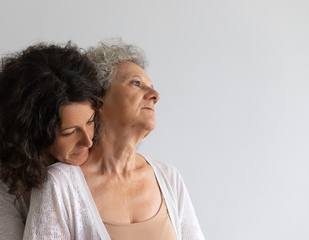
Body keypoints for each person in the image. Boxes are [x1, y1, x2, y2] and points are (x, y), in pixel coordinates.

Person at [24, 39, 205, 239]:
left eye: (151, 86)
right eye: (136, 83)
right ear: (98, 98)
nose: (155, 95)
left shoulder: (169, 178)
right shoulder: (60, 184)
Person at [0, 42, 103, 240]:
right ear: (33, 134)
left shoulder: (100, 148)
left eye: (90, 121)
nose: (88, 141)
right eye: (69, 132)